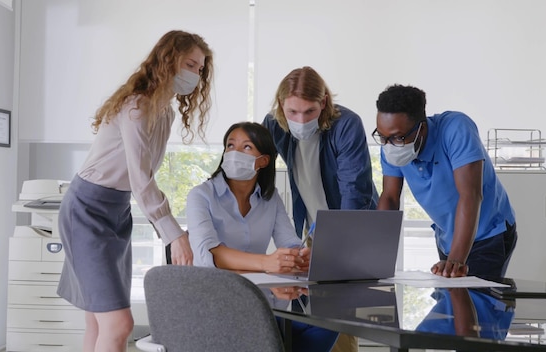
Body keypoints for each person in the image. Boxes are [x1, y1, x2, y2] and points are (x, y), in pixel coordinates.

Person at [56, 30, 214, 352]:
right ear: (168, 60)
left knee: (99, 322)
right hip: (87, 210)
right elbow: (140, 178)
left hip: (117, 212)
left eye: (199, 69)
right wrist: (173, 233)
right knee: (119, 324)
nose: (195, 75)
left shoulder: (165, 112)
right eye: (190, 64)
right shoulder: (136, 107)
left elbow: (143, 178)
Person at [187, 122, 339, 352]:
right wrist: (267, 264)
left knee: (330, 324)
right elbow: (210, 255)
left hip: (262, 307)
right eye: (230, 145)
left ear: (264, 161)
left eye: (246, 147)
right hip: (216, 305)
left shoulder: (270, 199)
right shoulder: (200, 196)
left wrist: (299, 257)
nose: (234, 152)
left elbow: (289, 241)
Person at [262, 66, 378, 352]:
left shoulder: (346, 124)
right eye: (292, 112)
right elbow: (257, 164)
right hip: (314, 226)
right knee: (308, 314)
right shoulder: (274, 123)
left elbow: (354, 191)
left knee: (340, 314)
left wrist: (333, 248)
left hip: (351, 227)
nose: (300, 120)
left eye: (309, 112)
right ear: (281, 105)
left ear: (324, 102)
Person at [374, 84, 517, 278]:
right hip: (447, 237)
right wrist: (375, 256)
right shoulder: (390, 146)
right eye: (382, 137)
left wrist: (456, 261)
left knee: (478, 303)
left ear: (421, 128)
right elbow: (390, 198)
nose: (388, 145)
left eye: (397, 137)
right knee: (448, 304)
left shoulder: (456, 129)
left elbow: (470, 196)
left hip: (488, 233)